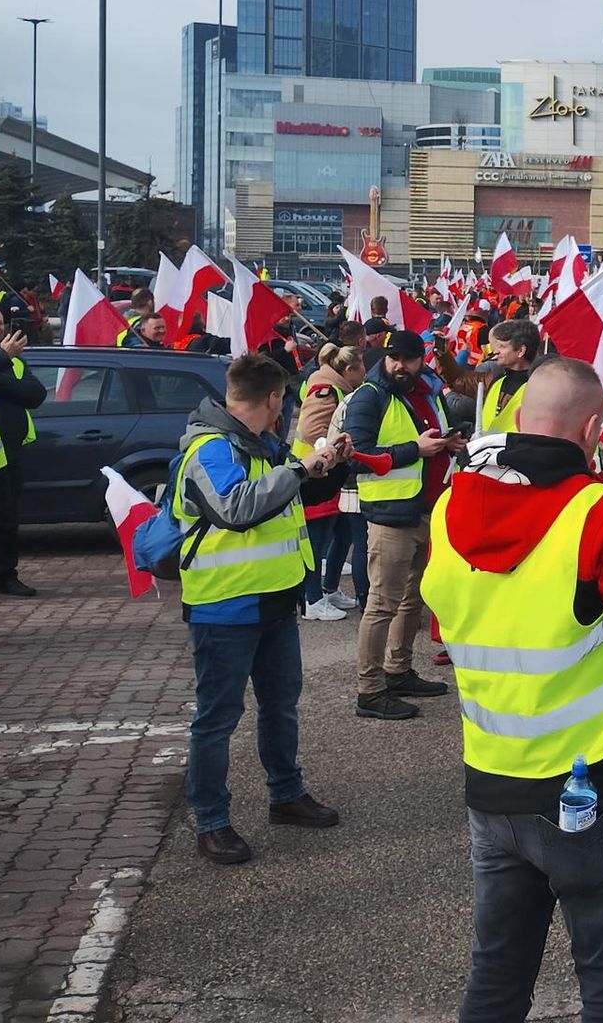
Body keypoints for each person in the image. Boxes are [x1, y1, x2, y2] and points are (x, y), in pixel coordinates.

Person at [423, 357, 603, 1023]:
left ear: (517, 420)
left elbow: (450, 620)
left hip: (492, 785)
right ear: (596, 428)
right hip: (592, 792)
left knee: (496, 978)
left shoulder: (450, 505)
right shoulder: (601, 512)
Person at [175, 352, 343, 864]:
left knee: (280, 705)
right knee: (217, 719)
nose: (284, 410)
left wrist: (326, 465)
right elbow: (237, 508)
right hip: (224, 607)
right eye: (282, 400)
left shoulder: (263, 444)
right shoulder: (209, 448)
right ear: (273, 399)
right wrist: (299, 467)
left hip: (273, 599)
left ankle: (286, 794)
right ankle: (211, 821)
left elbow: (290, 498)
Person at [346, 329, 466, 721]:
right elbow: (357, 453)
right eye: (393, 359)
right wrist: (416, 448)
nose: (399, 366)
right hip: (390, 516)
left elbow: (430, 438)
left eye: (407, 359)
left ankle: (398, 671)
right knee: (382, 603)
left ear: (420, 359)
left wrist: (448, 444)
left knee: (412, 600)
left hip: (427, 510)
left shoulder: (428, 391)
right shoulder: (371, 396)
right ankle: (370, 690)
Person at [295, 343, 368, 621]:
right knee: (317, 537)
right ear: (349, 370)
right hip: (316, 475)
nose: (364, 373)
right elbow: (311, 430)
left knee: (341, 533)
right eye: (361, 368)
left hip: (329, 473)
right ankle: (312, 600)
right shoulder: (326, 390)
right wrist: (332, 449)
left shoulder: (334, 386)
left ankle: (329, 588)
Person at [0, 309, 45, 598]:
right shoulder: (4, 357)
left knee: (7, 520)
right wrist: (1, 360)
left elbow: (36, 394)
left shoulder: (13, 360)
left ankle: (5, 576)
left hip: (7, 455)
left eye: (0, 322)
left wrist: (0, 381)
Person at [437, 319, 539, 435]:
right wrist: (443, 353)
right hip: (487, 450)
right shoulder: (495, 380)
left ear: (521, 351)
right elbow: (458, 379)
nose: (495, 351)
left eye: (502, 346)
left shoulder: (541, 389)